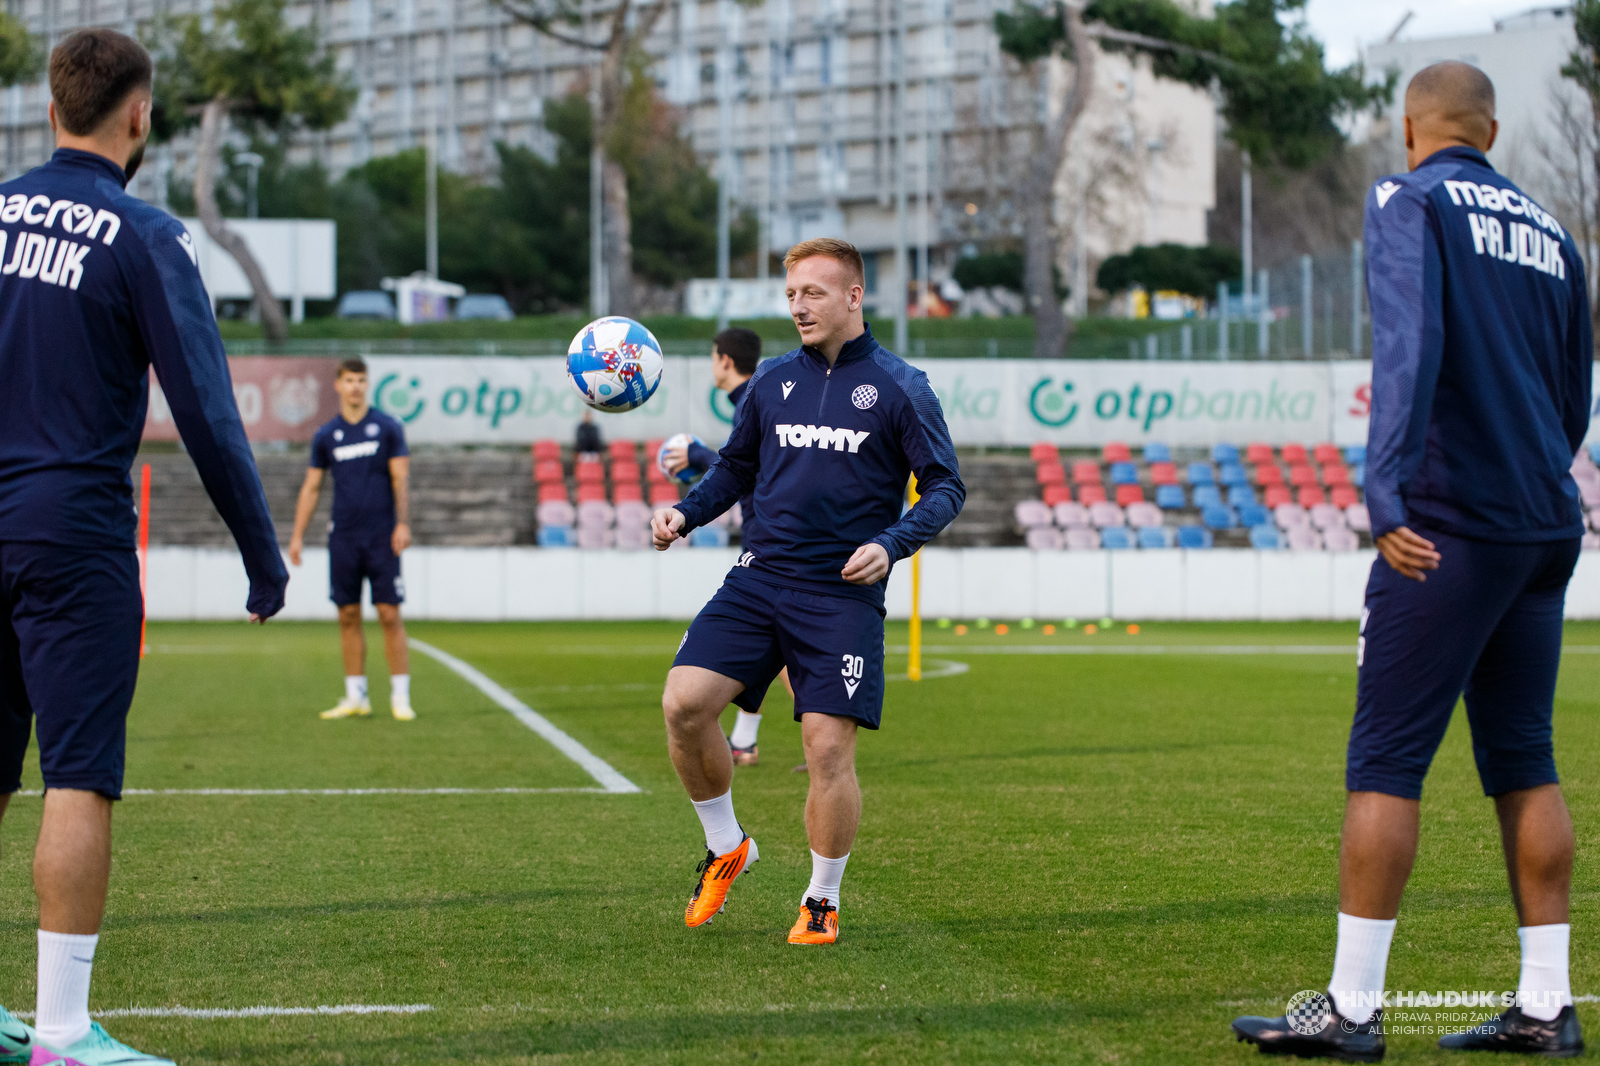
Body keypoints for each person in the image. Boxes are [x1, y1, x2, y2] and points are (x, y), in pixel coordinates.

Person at [1232, 62, 1592, 1060]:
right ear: (1492, 129)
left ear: (1409, 131)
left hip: (1444, 523)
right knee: (1525, 757)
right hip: (1542, 523)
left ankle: (1350, 1010)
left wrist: (1384, 490)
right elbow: (1575, 389)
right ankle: (1546, 1004)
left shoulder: (1408, 196)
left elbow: (1410, 340)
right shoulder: (1554, 234)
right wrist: (1536, 475)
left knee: (1384, 760)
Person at [0, 28, 287, 1065]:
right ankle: (64, 1035)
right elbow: (205, 410)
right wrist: (263, 554)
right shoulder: (141, 232)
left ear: (48, 110)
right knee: (78, 774)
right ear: (140, 116)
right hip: (68, 533)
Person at [652, 238, 964, 945]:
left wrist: (892, 543)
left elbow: (946, 485)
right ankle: (726, 845)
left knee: (826, 752)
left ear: (854, 297)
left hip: (839, 598)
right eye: (791, 294)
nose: (798, 306)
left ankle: (822, 899)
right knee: (683, 704)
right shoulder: (770, 382)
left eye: (813, 293)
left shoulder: (900, 386)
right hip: (759, 579)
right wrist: (686, 513)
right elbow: (734, 469)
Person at [660, 326, 792, 767]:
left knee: (786, 651)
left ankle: (822, 735)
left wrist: (699, 456)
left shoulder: (753, 399)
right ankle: (750, 740)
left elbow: (746, 468)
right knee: (781, 649)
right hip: (768, 537)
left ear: (725, 360)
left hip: (768, 541)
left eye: (713, 357)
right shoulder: (763, 396)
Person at [289, 360, 415, 721]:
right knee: (347, 613)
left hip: (382, 536)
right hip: (343, 536)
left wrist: (402, 523)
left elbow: (400, 479)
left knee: (389, 613)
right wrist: (297, 536)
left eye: (361, 380)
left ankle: (400, 696)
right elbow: (312, 487)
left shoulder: (388, 428)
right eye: (349, 381)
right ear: (338, 386)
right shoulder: (326, 435)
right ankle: (355, 695)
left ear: (367, 384)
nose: (356, 387)